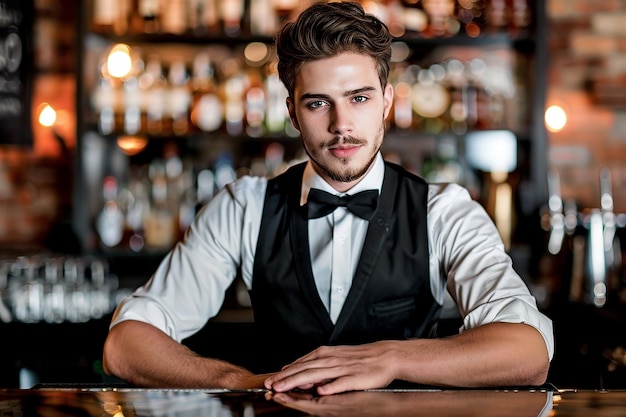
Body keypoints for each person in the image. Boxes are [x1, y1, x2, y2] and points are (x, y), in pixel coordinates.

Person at [102, 1, 554, 395]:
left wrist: (391, 359)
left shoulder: (444, 211)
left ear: (386, 103)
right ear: (292, 113)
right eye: (318, 103)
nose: (341, 124)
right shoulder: (245, 207)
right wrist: (242, 383)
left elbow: (527, 352)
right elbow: (126, 345)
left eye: (358, 98)